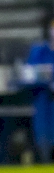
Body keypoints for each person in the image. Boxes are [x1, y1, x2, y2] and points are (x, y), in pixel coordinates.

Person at [25, 17, 54, 162]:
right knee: (43, 132)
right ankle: (44, 159)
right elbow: (30, 72)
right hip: (42, 96)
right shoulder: (39, 50)